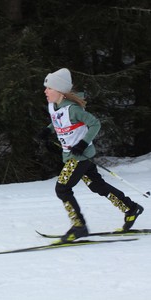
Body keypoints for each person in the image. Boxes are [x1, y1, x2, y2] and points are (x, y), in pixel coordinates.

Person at [38, 68, 144, 243]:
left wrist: (82, 143)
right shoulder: (55, 107)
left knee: (62, 188)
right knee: (98, 186)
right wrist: (47, 130)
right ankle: (131, 208)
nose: (45, 91)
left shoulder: (73, 109)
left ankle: (78, 226)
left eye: (49, 88)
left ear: (60, 91)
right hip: (75, 156)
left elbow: (95, 124)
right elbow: (57, 120)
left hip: (78, 157)